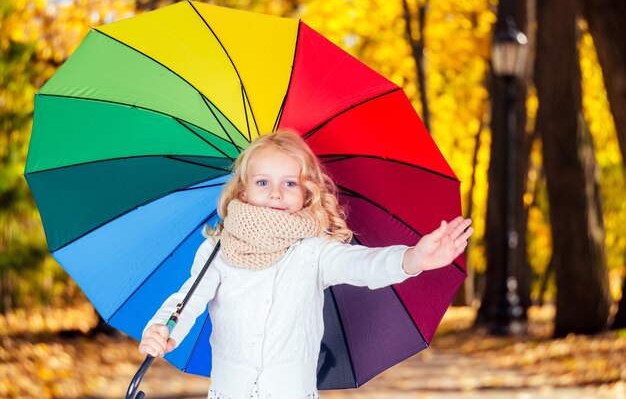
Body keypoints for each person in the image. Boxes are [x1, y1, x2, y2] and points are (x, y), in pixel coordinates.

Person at [139, 129, 473, 399]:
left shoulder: (313, 252)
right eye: (262, 182)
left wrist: (413, 257)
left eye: (289, 183)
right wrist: (162, 329)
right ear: (242, 193)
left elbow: (364, 265)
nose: (276, 193)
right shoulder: (217, 250)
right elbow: (187, 300)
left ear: (306, 193)